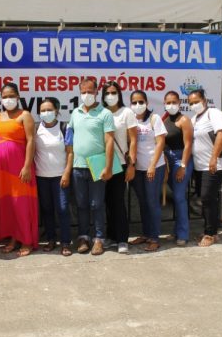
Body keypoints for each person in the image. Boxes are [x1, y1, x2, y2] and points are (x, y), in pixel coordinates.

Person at [0, 82, 38, 257]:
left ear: (18, 97)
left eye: (11, 96)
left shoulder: (25, 115)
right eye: (5, 97)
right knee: (9, 204)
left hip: (20, 168)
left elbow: (31, 141)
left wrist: (27, 166)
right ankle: (14, 239)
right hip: (1, 169)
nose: (8, 99)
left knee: (21, 203)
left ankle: (27, 240)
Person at [67, 77, 115, 256]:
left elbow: (109, 141)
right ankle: (83, 237)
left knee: (97, 204)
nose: (87, 95)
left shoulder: (105, 113)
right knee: (81, 204)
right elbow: (70, 138)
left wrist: (108, 167)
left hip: (97, 166)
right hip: (78, 166)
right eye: (83, 92)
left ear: (96, 92)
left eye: (90, 91)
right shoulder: (75, 112)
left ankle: (99, 239)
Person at [188, 89, 222, 247]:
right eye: (191, 103)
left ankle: (210, 234)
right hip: (200, 166)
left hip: (215, 165)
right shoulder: (194, 119)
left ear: (204, 101)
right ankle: (212, 229)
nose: (194, 105)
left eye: (196, 102)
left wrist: (213, 157)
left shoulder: (214, 114)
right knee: (207, 198)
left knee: (207, 197)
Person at [128, 90, 167, 252]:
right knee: (143, 203)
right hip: (137, 169)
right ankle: (146, 234)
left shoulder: (154, 118)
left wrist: (152, 165)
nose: (138, 105)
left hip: (154, 167)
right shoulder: (130, 119)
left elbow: (160, 143)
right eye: (134, 102)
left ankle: (155, 238)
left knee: (152, 202)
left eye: (141, 102)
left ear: (147, 103)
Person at [34, 98, 73, 256]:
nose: (46, 113)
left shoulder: (65, 127)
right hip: (41, 176)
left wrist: (67, 172)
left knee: (63, 209)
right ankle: (51, 240)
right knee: (47, 209)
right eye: (43, 110)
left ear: (56, 111)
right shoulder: (36, 128)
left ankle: (65, 242)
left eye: (49, 110)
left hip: (60, 177)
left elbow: (70, 152)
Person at [102, 81, 137, 254]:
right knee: (106, 202)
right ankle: (111, 236)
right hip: (102, 164)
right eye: (107, 93)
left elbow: (133, 140)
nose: (110, 96)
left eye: (113, 92)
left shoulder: (127, 112)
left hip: (120, 164)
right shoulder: (101, 112)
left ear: (119, 94)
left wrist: (132, 165)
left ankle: (122, 239)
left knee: (117, 202)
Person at [161, 90, 194, 246]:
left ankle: (183, 234)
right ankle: (176, 231)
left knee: (180, 197)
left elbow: (188, 145)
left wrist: (183, 166)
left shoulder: (184, 120)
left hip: (181, 159)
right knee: (175, 196)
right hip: (167, 160)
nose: (171, 105)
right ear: (164, 103)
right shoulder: (164, 120)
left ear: (179, 103)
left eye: (174, 102)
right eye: (168, 102)